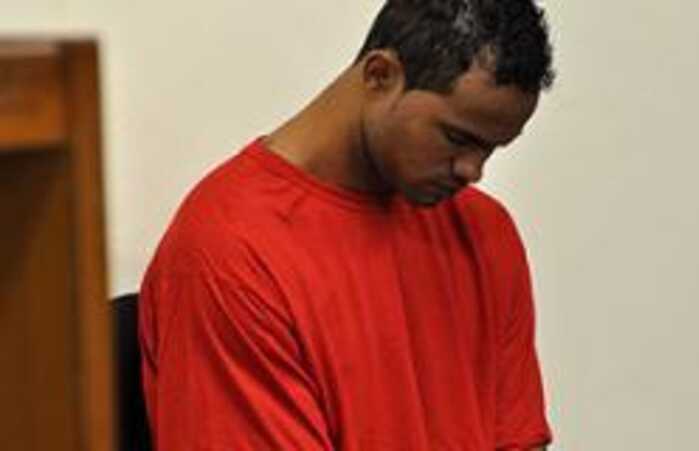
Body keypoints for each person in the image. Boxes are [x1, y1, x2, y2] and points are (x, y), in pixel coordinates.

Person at [139, 0, 556, 450]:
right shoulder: (230, 255)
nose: (472, 170)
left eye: (491, 149)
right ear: (380, 75)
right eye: (456, 138)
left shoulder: (484, 231)